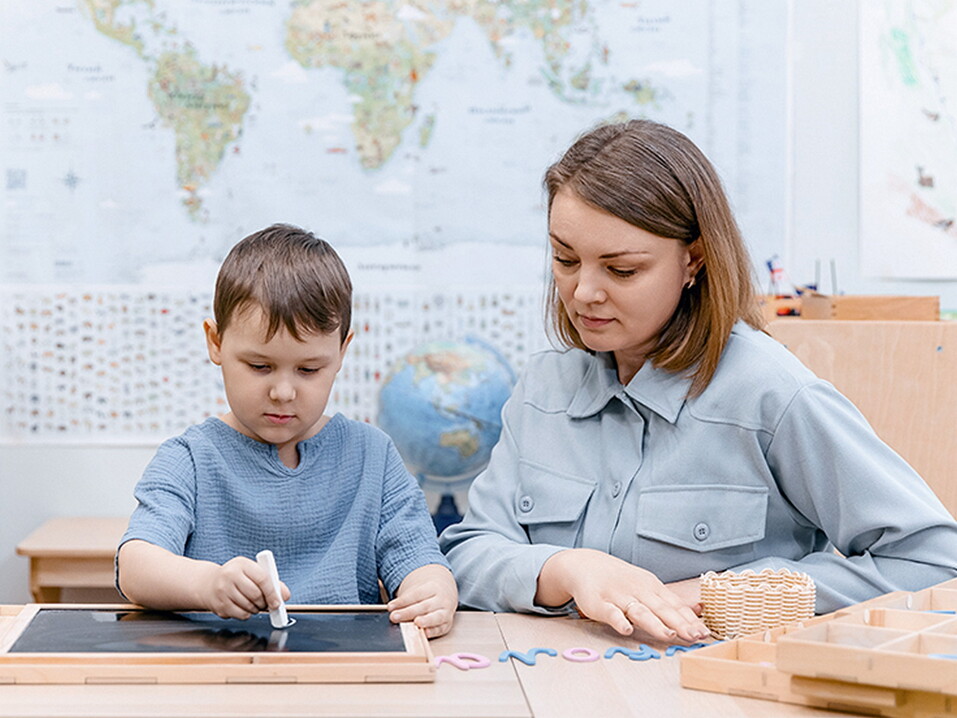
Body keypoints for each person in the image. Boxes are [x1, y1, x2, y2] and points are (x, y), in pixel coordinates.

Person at [439, 119, 957, 643]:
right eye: (565, 259)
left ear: (694, 260)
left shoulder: (770, 394)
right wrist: (568, 570)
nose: (582, 293)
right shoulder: (543, 387)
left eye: (622, 270)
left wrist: (715, 593)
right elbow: (468, 553)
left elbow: (934, 563)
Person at [117, 224, 457, 638]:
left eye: (309, 369)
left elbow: (419, 558)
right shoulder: (189, 457)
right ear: (216, 342)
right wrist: (207, 585)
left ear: (342, 352)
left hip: (341, 675)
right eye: (259, 367)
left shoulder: (373, 455)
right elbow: (135, 565)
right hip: (218, 676)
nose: (282, 392)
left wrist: (433, 591)